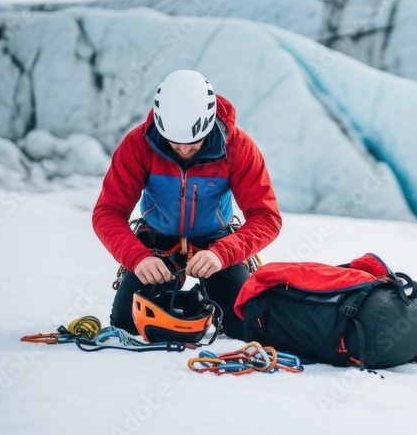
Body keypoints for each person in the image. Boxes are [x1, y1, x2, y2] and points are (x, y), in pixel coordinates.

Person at [92, 69, 282, 340]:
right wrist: (138, 258)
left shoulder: (237, 146)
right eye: (175, 143)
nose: (183, 150)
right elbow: (108, 212)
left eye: (194, 142)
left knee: (243, 326)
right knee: (127, 322)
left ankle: (208, 291)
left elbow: (266, 216)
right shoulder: (138, 145)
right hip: (156, 239)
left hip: (216, 241)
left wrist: (222, 254)